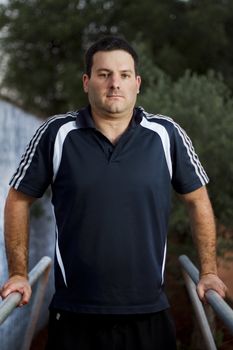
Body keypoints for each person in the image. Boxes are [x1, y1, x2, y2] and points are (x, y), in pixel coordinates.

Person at [0, 36, 227, 350]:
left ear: (137, 83)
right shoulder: (56, 133)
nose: (114, 84)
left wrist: (210, 271)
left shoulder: (167, 134)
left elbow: (198, 200)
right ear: (86, 82)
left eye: (123, 75)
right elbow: (18, 199)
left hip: (148, 313)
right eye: (104, 74)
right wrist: (18, 273)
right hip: (74, 315)